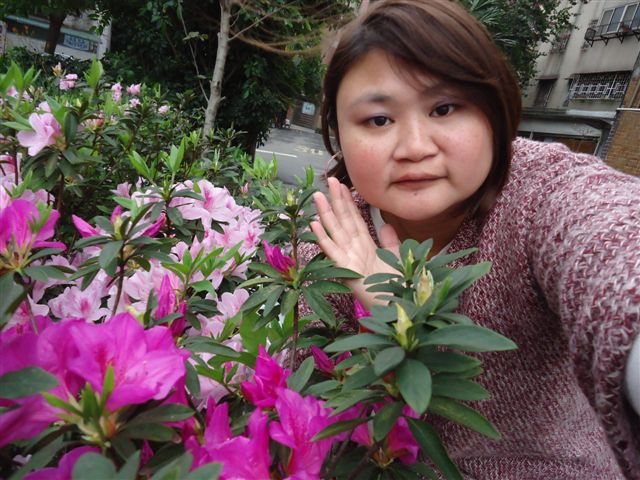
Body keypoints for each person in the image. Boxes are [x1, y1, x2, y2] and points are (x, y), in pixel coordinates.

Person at [299, 0, 640, 478]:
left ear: (493, 113)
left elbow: (612, 243)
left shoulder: (540, 193)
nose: (415, 147)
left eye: (444, 108)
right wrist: (390, 317)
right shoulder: (329, 248)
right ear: (338, 133)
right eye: (378, 119)